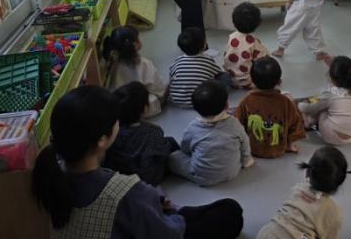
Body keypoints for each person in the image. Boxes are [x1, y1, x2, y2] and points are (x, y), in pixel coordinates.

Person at [32, 85, 244, 239]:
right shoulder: (127, 191)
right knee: (230, 211)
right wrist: (170, 214)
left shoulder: (51, 175)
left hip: (136, 217)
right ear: (102, 139)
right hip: (156, 225)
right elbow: (168, 234)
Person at [256, 146, 351, 239]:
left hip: (266, 234)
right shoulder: (334, 213)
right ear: (340, 182)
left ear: (307, 172)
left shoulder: (297, 188)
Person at [169, 80, 254, 186]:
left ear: (196, 109)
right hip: (232, 172)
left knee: (173, 157)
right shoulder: (234, 123)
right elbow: (245, 143)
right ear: (227, 106)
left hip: (201, 177)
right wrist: (247, 161)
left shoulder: (192, 128)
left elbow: (185, 149)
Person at [104, 82, 179, 186]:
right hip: (147, 179)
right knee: (170, 142)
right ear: (145, 108)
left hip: (122, 178)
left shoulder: (112, 132)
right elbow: (162, 151)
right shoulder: (152, 131)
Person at [234, 56, 306, 158]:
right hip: (280, 148)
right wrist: (290, 142)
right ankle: (290, 146)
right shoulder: (286, 102)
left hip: (253, 148)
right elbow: (295, 124)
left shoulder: (246, 101)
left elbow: (237, 124)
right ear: (279, 82)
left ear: (252, 81)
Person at [298, 56, 351, 145]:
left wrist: (300, 105)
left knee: (321, 107)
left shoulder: (331, 95)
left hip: (331, 134)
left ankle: (308, 122)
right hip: (350, 137)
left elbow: (310, 108)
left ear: (332, 78)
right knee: (329, 105)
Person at [104, 25, 166, 117]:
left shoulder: (114, 64)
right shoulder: (145, 64)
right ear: (135, 45)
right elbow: (158, 90)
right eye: (138, 38)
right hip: (140, 109)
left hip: (121, 109)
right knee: (165, 87)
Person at [168, 27, 229, 108]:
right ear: (204, 45)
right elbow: (218, 73)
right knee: (225, 77)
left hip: (177, 100)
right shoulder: (207, 60)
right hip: (202, 101)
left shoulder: (178, 61)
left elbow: (171, 75)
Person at [223, 2, 270, 89]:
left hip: (231, 78)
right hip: (248, 81)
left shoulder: (231, 37)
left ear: (233, 21)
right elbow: (263, 60)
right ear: (258, 23)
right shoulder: (253, 42)